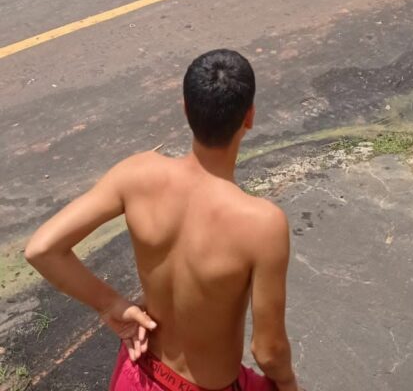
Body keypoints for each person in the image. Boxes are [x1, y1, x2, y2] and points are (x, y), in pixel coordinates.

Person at [25, 49, 300, 391]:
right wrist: (288, 383)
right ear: (249, 117)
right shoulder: (262, 225)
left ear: (185, 109)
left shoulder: (137, 174)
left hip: (138, 374)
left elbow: (42, 249)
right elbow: (268, 350)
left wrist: (111, 304)